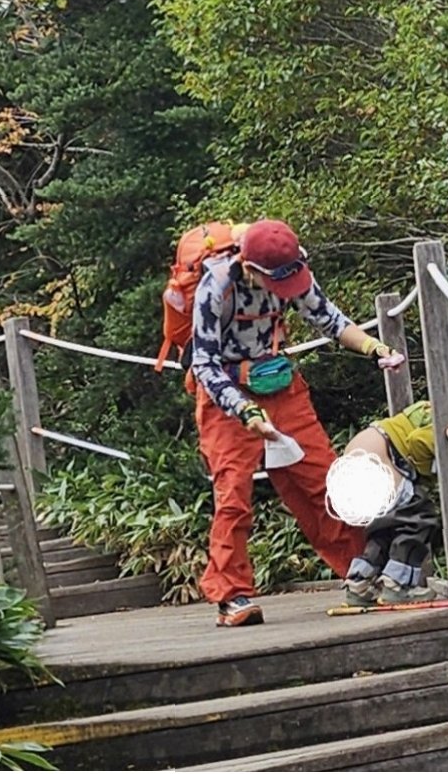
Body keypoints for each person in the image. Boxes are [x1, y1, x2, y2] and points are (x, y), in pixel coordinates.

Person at [190, 218, 402, 627]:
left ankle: (361, 573)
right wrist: (246, 412)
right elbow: (204, 363)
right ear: (250, 267)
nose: (285, 289)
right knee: (233, 493)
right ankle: (231, 595)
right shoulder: (216, 285)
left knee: (325, 481)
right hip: (226, 396)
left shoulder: (293, 269)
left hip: (280, 384)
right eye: (276, 281)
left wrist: (373, 347)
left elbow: (330, 319)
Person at [340, 399, 448, 606]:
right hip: (381, 455)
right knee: (419, 518)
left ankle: (359, 582)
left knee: (388, 527)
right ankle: (398, 584)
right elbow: (418, 442)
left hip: (359, 452)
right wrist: (427, 474)